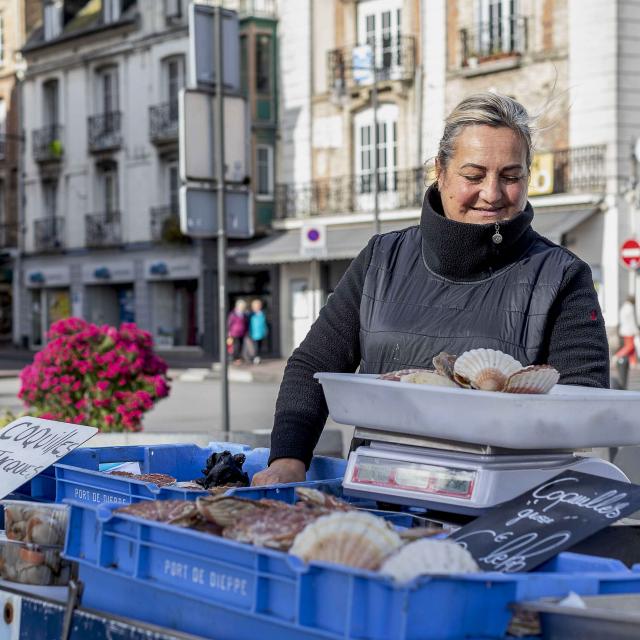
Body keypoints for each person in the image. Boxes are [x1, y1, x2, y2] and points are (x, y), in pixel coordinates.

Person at [252, 92, 610, 486]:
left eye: (511, 176)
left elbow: (583, 406)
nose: (492, 193)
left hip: (502, 506)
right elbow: (314, 364)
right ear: (440, 170)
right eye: (473, 175)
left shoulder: (563, 276)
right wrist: (288, 457)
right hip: (379, 493)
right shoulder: (380, 257)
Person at [614, 296, 638, 367]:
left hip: (624, 329)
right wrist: (636, 330)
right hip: (629, 330)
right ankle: (617, 355)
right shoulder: (630, 308)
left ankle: (633, 362)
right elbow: (632, 321)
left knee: (631, 347)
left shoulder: (624, 307)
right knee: (630, 346)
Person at [227, 299, 248, 365]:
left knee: (241, 346)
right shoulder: (233, 314)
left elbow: (245, 323)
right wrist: (229, 332)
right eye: (241, 306)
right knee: (236, 346)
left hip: (242, 333)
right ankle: (235, 358)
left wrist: (246, 331)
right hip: (234, 333)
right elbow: (229, 323)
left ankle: (239, 358)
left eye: (243, 307)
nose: (242, 308)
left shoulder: (243, 314)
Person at [248, 299, 268, 364]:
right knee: (254, 347)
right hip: (253, 333)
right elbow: (248, 324)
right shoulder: (251, 314)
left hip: (261, 333)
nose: (257, 307)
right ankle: (254, 358)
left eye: (258, 306)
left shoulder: (262, 313)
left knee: (259, 346)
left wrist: (265, 331)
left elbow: (264, 323)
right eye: (255, 306)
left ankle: (257, 357)